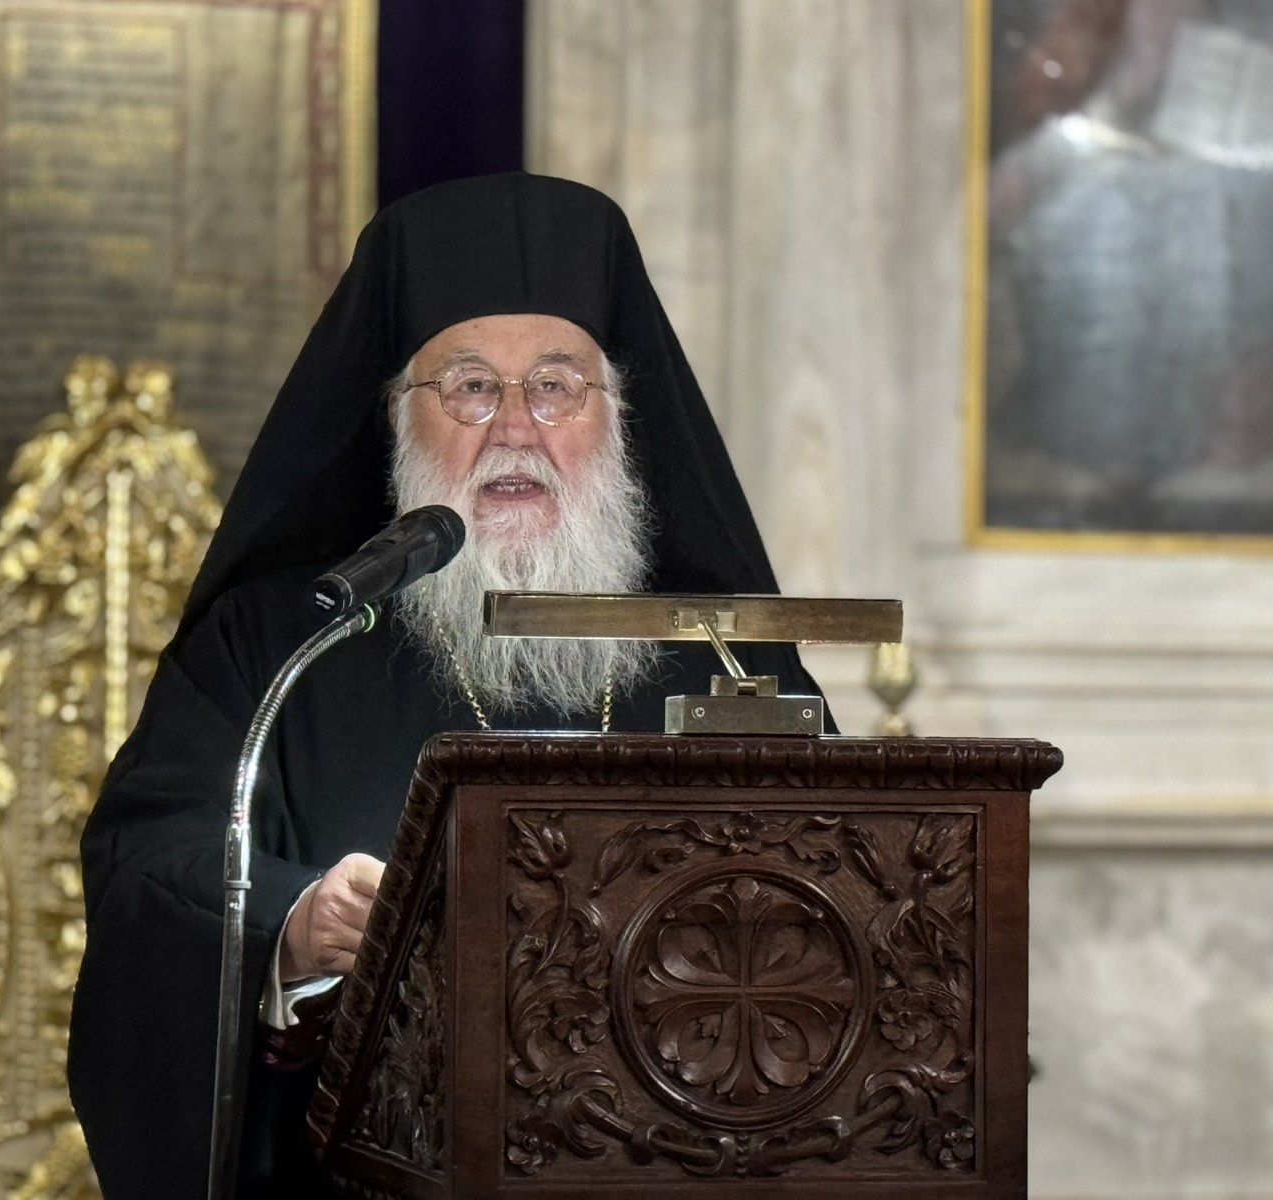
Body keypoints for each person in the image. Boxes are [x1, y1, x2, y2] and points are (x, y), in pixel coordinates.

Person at [67, 172, 833, 1198]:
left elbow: (848, 889)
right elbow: (152, 860)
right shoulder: (285, 643)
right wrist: (295, 922)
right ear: (399, 419)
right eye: (470, 387)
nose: (515, 426)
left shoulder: (724, 654)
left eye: (556, 385)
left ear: (614, 419)